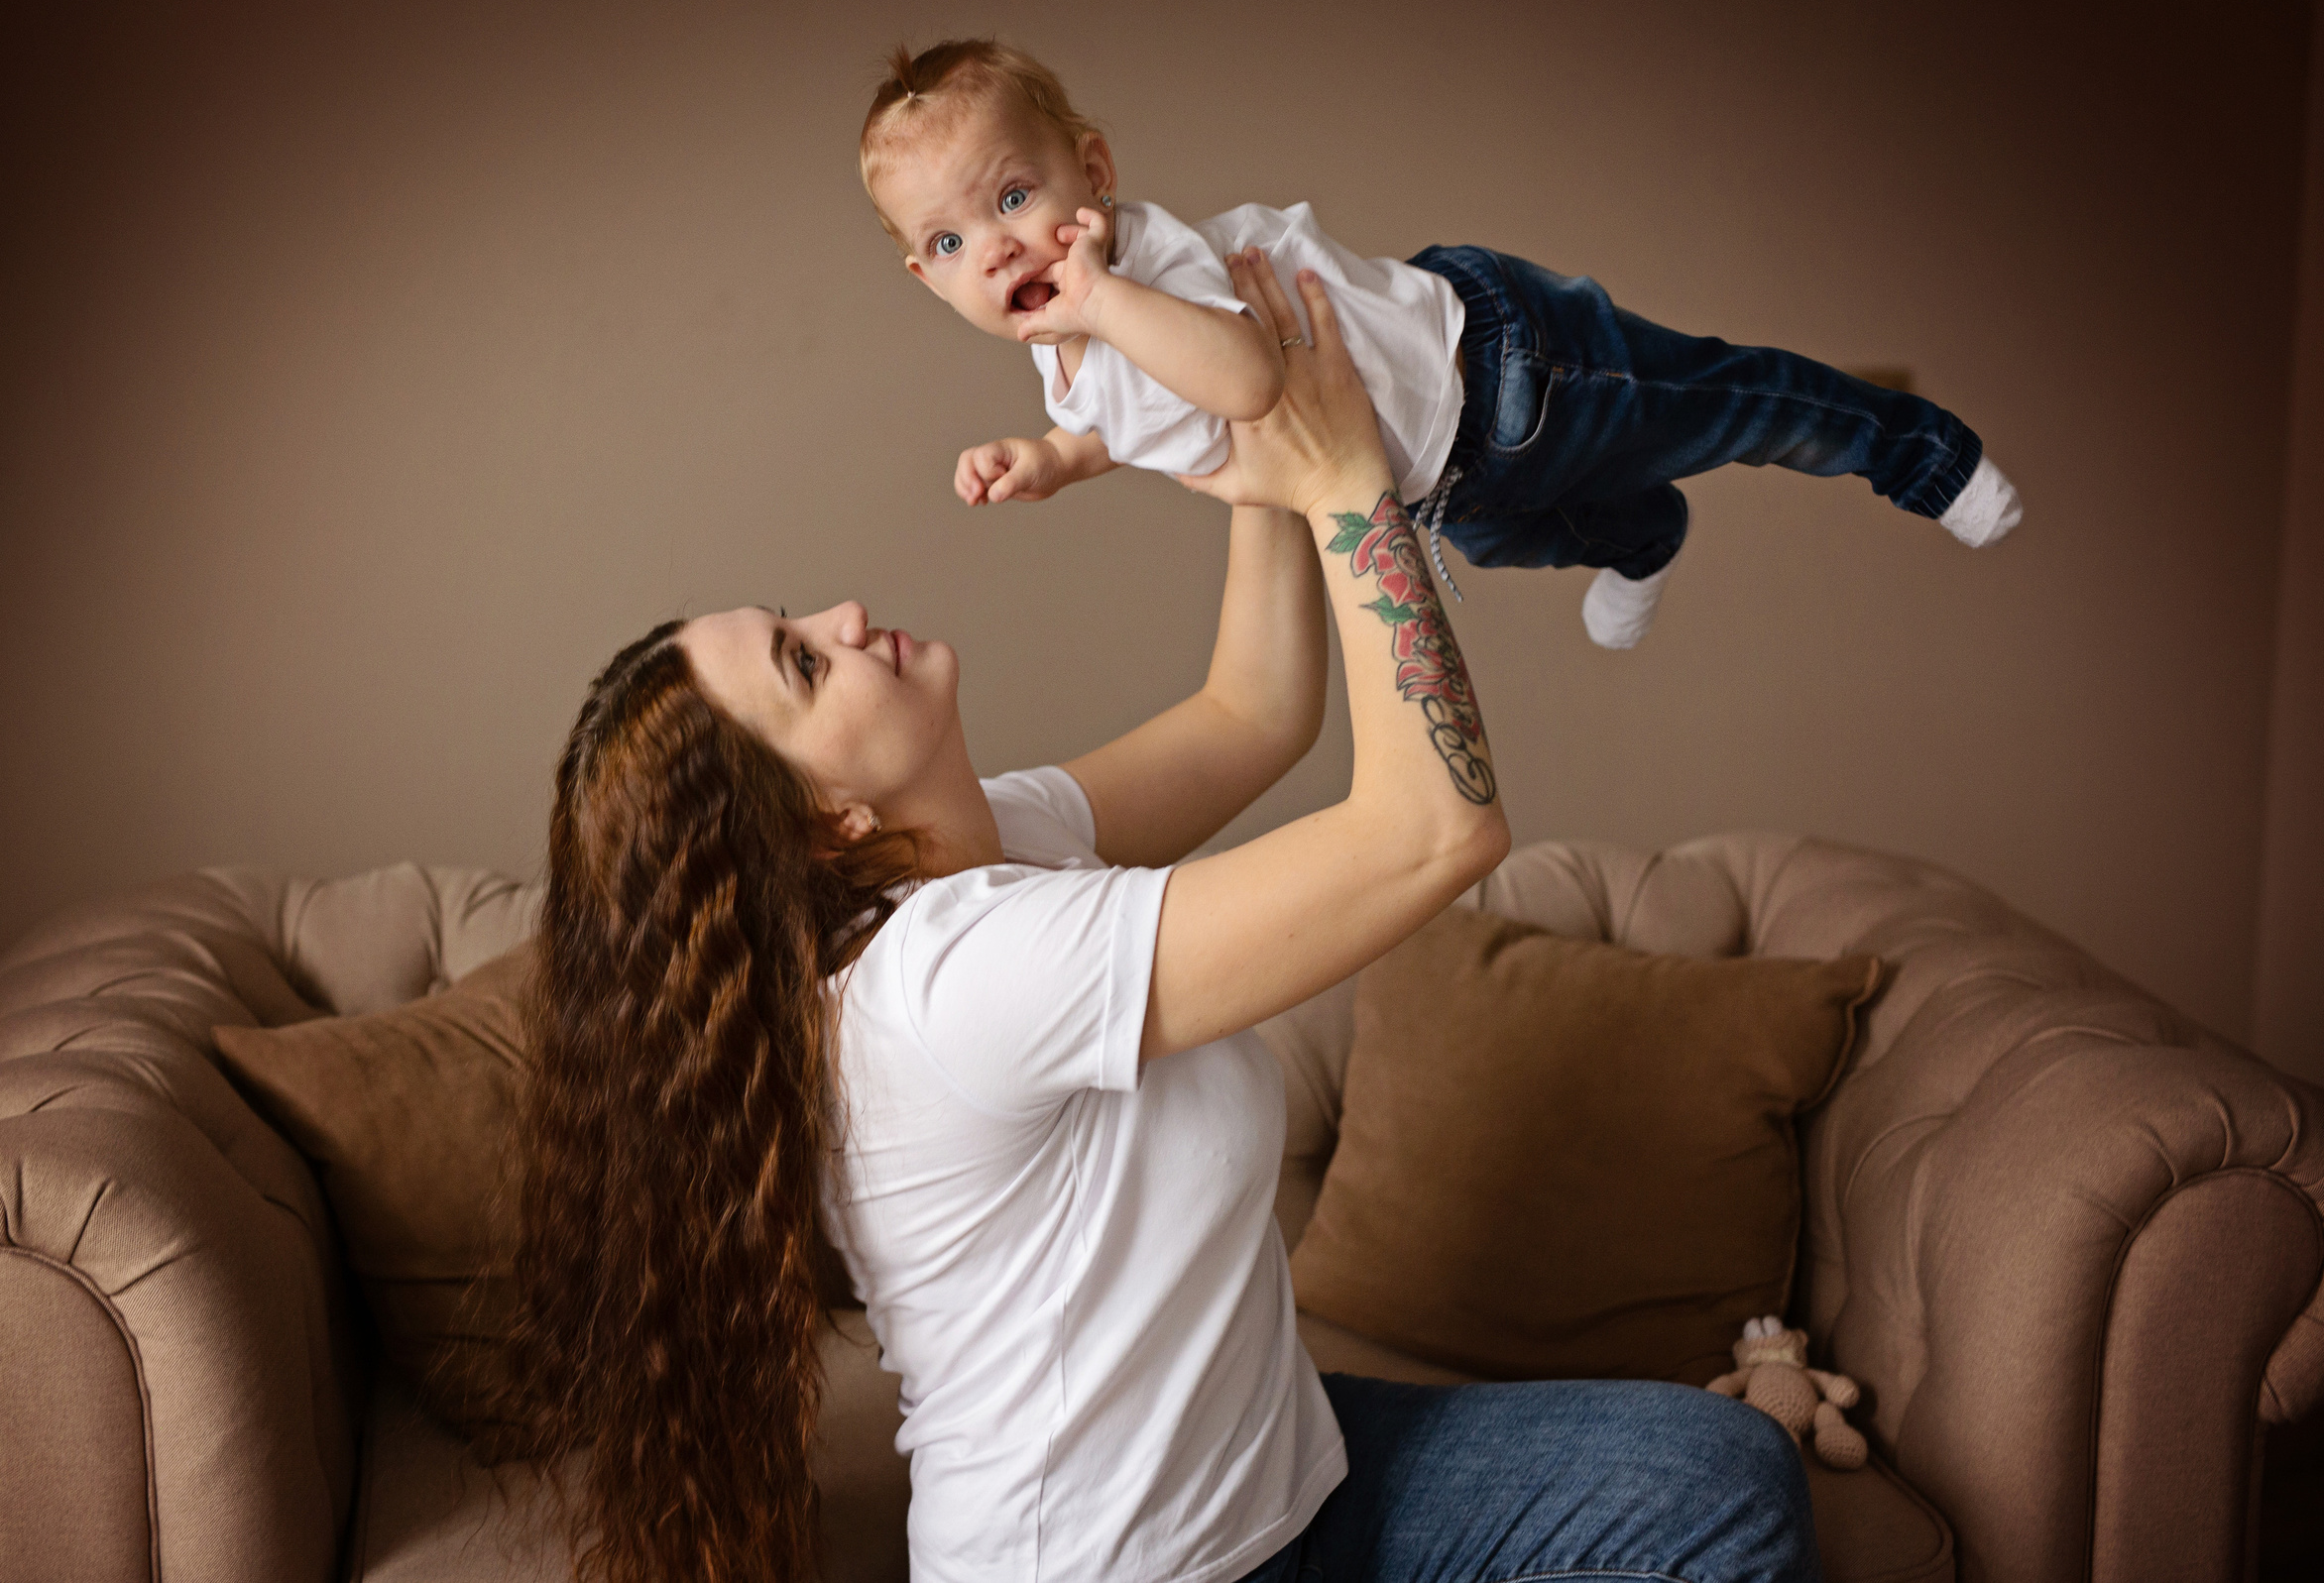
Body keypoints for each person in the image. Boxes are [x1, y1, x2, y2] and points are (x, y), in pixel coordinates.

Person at [504, 259, 1820, 1582]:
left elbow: (1251, 711)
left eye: (793, 613)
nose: (843, 616)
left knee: (1716, 1475)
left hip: (1286, 1475)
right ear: (823, 821)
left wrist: (1256, 422)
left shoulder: (984, 855)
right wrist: (1344, 480)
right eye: (803, 661)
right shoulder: (958, 979)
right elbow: (1436, 830)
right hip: (1141, 1566)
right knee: (1726, 1500)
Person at [860, 38, 2023, 649]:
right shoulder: (1065, 328)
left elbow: (1249, 378)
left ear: (1093, 173)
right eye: (954, 240)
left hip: (1507, 362)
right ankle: (1647, 531)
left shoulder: (1135, 267)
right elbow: (1129, 416)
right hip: (1446, 473)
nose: (1001, 250)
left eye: (1014, 197)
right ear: (924, 278)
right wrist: (1055, 458)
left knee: (1723, 406)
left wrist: (1101, 302)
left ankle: (1918, 452)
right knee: (1536, 539)